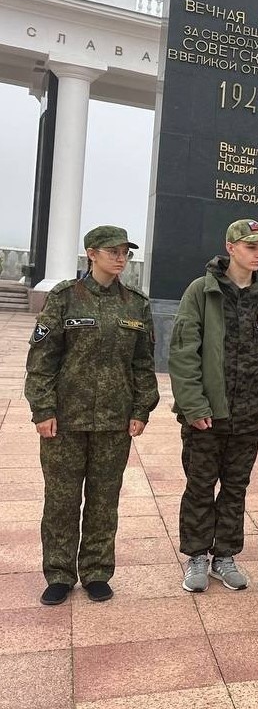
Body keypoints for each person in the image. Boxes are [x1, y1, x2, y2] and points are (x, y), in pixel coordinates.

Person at [26, 226, 159, 605]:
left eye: (125, 252)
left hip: (115, 422)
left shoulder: (136, 303)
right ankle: (59, 574)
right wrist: (43, 408)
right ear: (91, 253)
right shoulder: (66, 298)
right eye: (112, 251)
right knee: (62, 500)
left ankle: (97, 571)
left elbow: (142, 364)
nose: (120, 258)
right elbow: (42, 358)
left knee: (104, 500)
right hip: (65, 421)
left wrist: (140, 409)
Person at [170, 219, 258, 593]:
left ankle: (225, 555)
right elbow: (184, 353)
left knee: (236, 488)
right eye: (251, 246)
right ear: (231, 247)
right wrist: (194, 406)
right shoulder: (201, 292)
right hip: (208, 414)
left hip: (249, 415)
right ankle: (196, 556)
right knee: (201, 487)